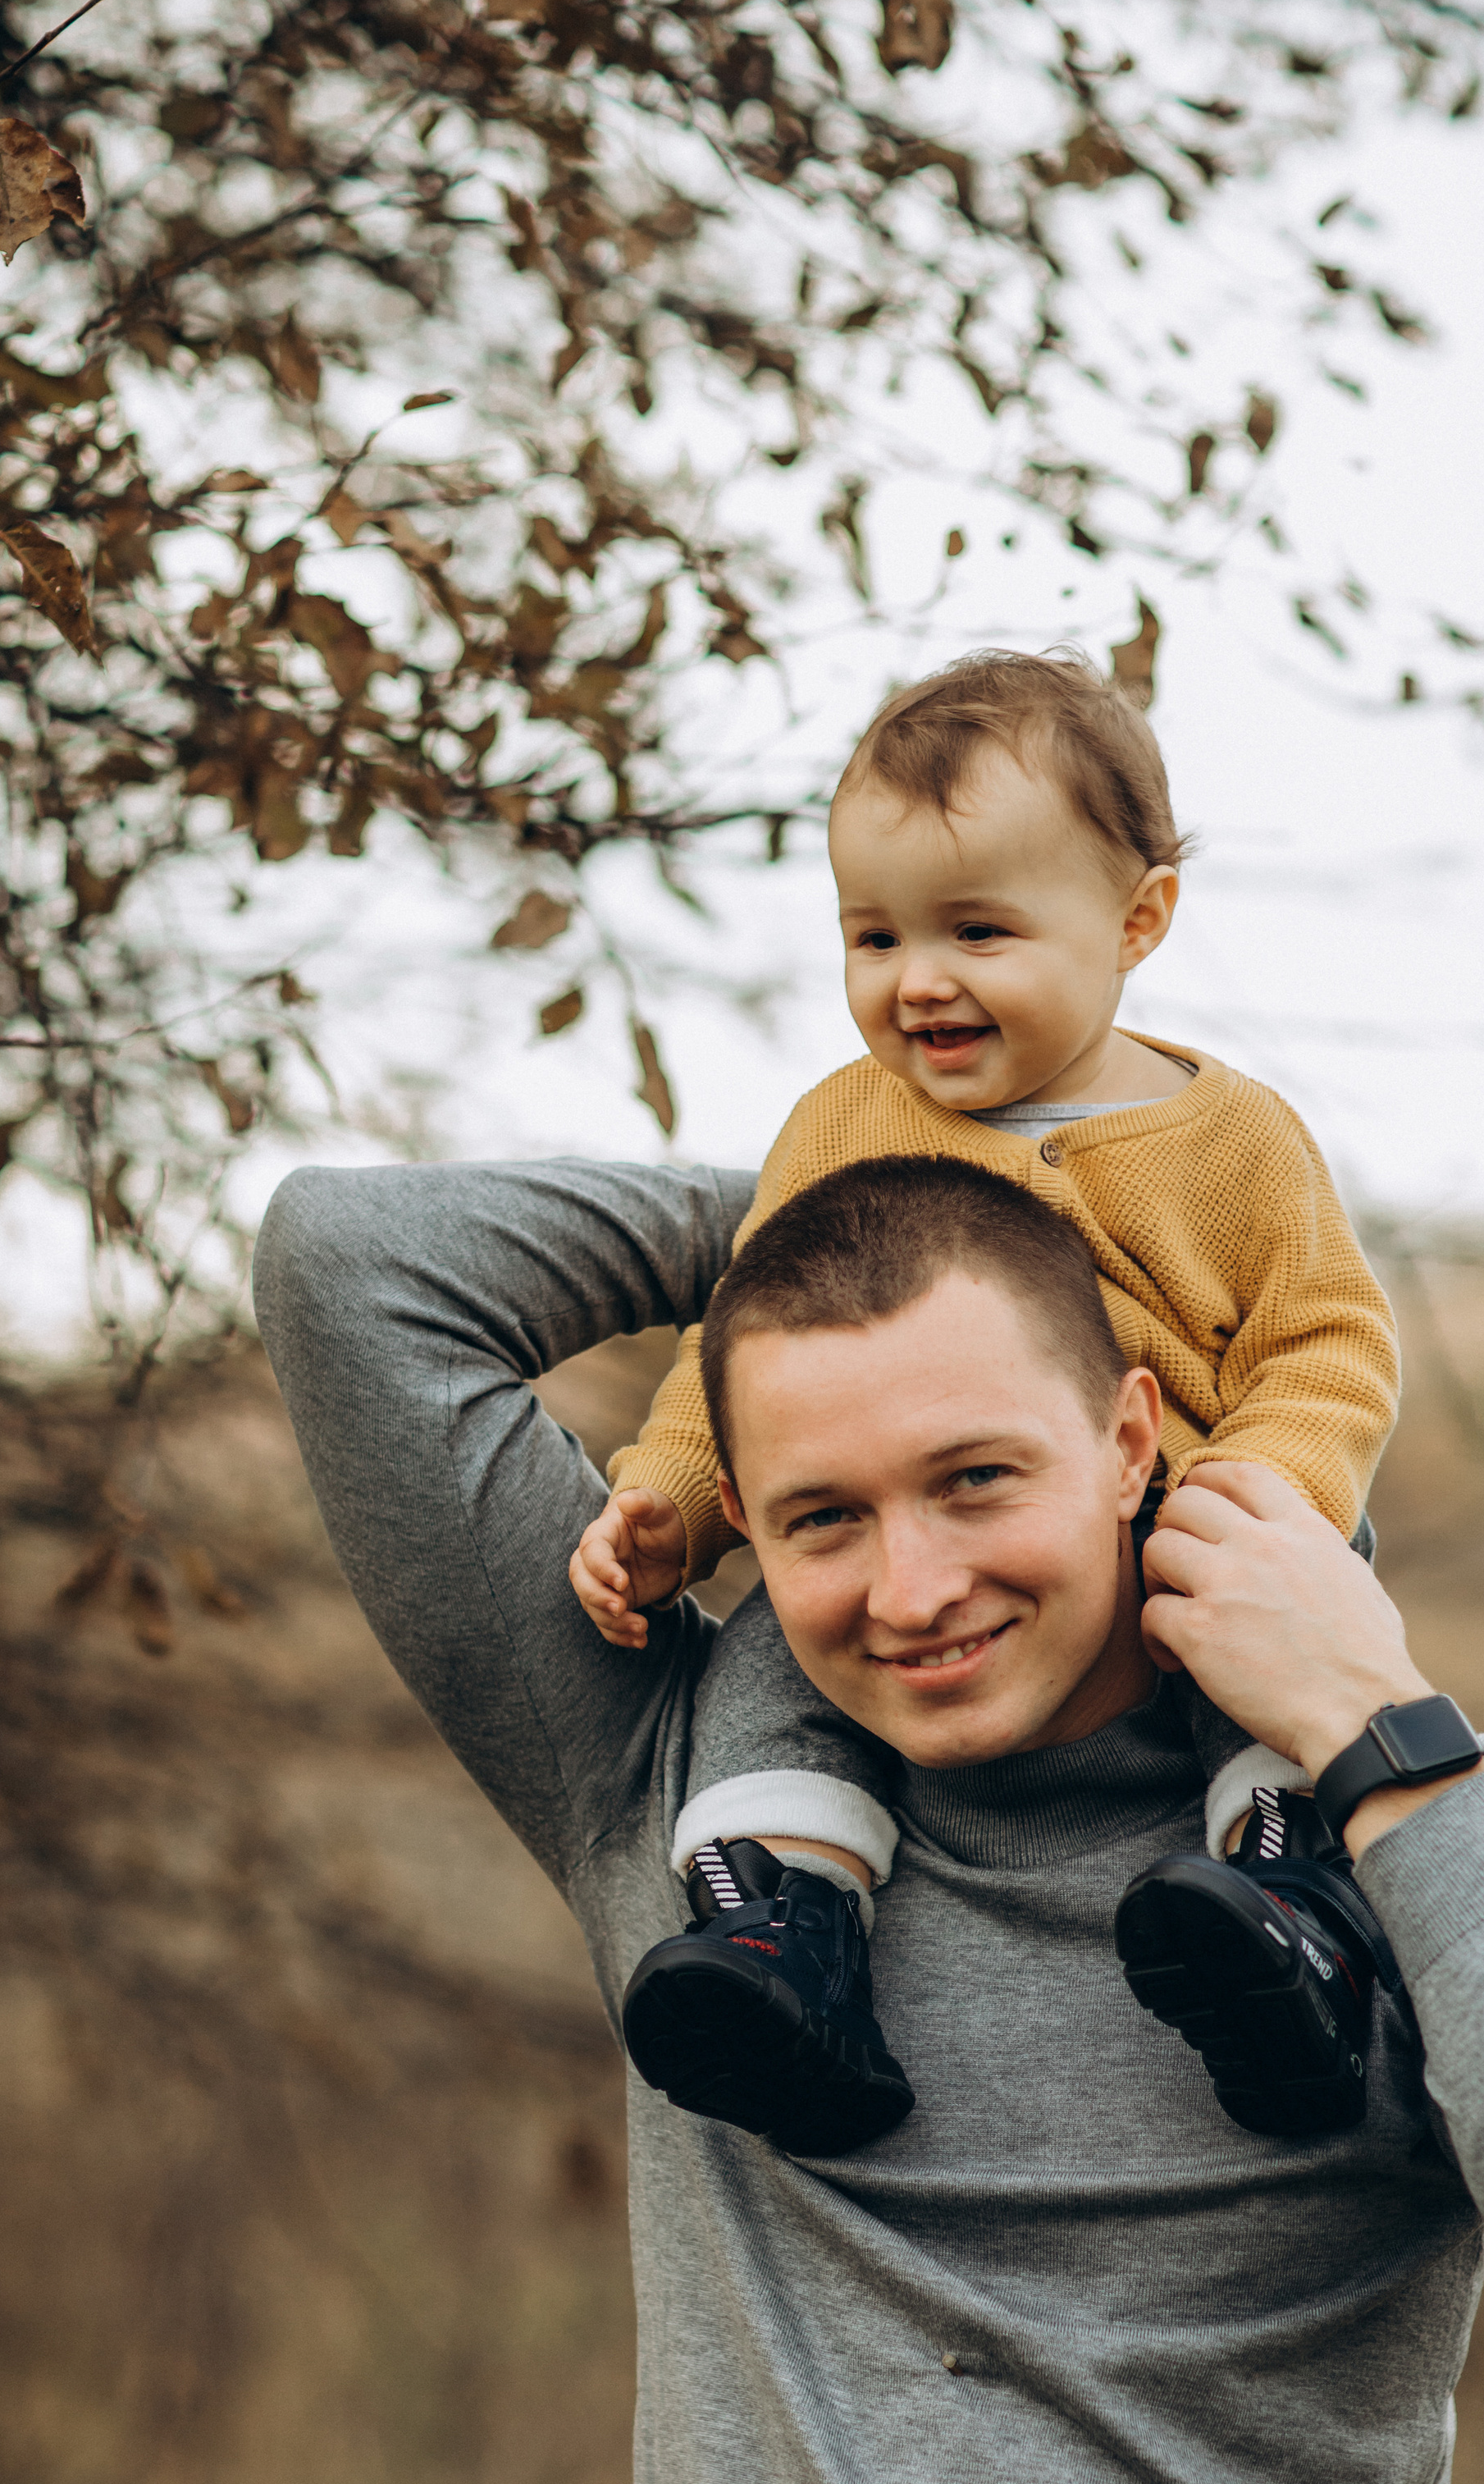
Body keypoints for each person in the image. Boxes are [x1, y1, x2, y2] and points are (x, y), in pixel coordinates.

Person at [254, 1144, 1484, 2484]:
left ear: (1132, 1436)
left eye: (975, 1477)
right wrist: (861, 1177)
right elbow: (349, 1259)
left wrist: (1382, 1745)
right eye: (820, 1517)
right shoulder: (693, 1800)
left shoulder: (1426, 1823)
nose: (911, 1591)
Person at [568, 650, 1402, 2151]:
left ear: (1137, 920)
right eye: (872, 936)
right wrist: (674, 1499)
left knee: (1279, 1647)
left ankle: (1287, 1924)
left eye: (977, 930)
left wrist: (1270, 1493)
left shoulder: (1234, 1141)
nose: (918, 980)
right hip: (918, 1520)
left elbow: (1328, 1338)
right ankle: (787, 1945)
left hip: (1203, 1507)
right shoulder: (841, 1125)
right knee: (772, 1657)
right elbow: (746, 1352)